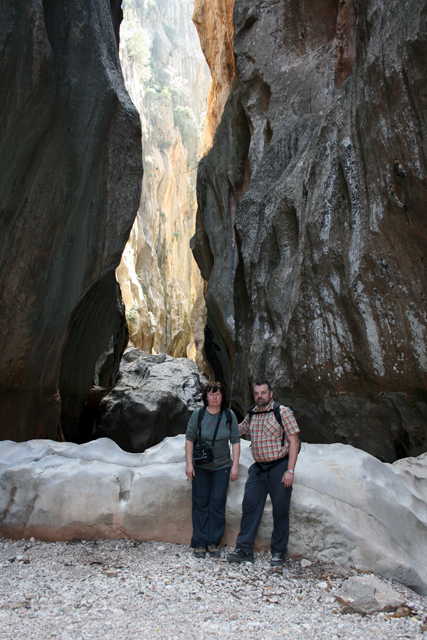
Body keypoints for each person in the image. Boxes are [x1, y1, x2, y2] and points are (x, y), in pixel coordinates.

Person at [227, 380, 300, 566]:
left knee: (280, 509)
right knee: (250, 506)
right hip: (258, 469)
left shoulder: (282, 412)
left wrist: (290, 470)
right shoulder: (252, 413)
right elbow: (237, 430)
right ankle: (244, 549)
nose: (260, 396)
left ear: (271, 394)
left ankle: (278, 552)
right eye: (257, 393)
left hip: (279, 467)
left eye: (263, 393)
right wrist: (218, 426)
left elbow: (294, 441)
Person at [185, 382, 240, 558]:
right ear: (206, 397)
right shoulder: (198, 415)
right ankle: (200, 543)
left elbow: (236, 441)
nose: (214, 398)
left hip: (222, 467)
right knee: (200, 503)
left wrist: (235, 465)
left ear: (222, 397)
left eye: (218, 394)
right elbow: (189, 439)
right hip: (201, 467)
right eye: (211, 394)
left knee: (217, 502)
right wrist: (189, 464)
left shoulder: (228, 415)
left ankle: (213, 542)